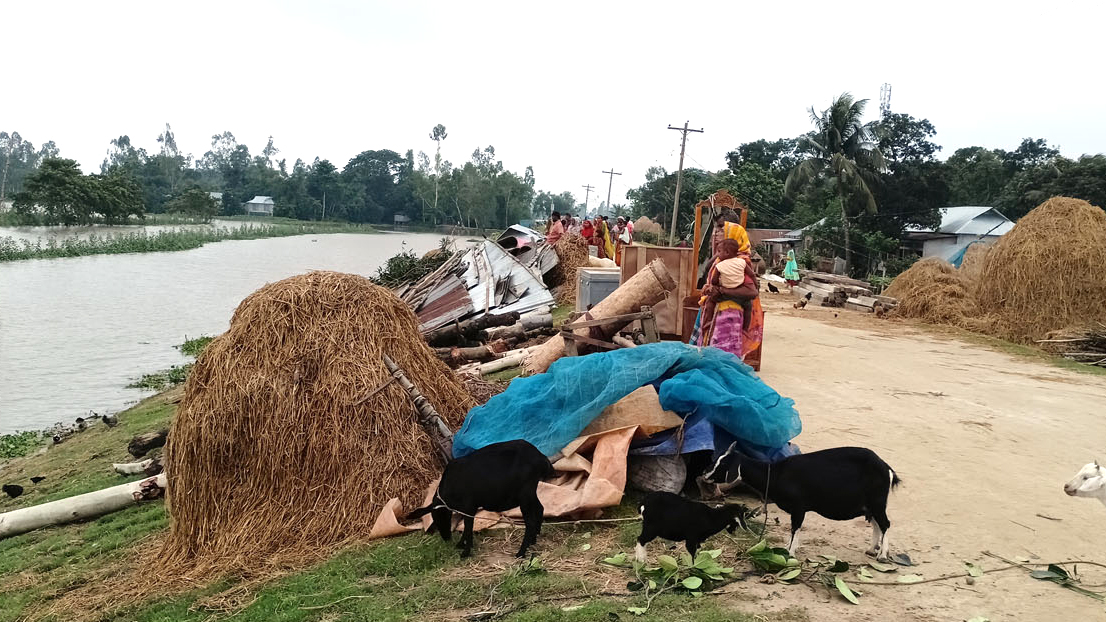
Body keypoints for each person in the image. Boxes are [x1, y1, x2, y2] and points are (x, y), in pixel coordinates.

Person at [690, 212, 763, 363]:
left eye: (721, 230)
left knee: (722, 357)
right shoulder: (720, 258)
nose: (716, 233)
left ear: (732, 232)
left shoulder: (741, 261)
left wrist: (721, 291)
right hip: (717, 309)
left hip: (729, 314)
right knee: (710, 354)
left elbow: (751, 291)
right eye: (716, 230)